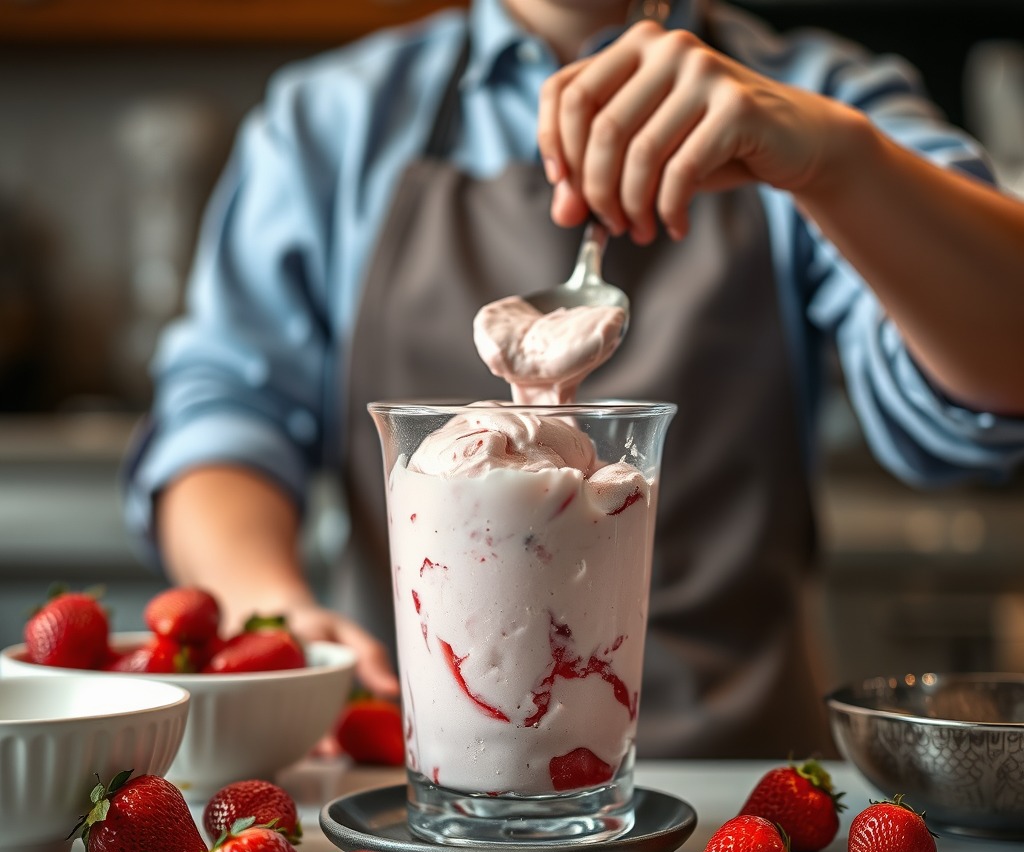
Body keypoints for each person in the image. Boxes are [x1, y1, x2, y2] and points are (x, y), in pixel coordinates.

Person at [122, 0, 1024, 760]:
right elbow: (224, 416)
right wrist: (274, 612)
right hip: (412, 781)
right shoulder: (329, 123)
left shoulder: (827, 103)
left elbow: (989, 389)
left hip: (738, 808)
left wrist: (837, 162)